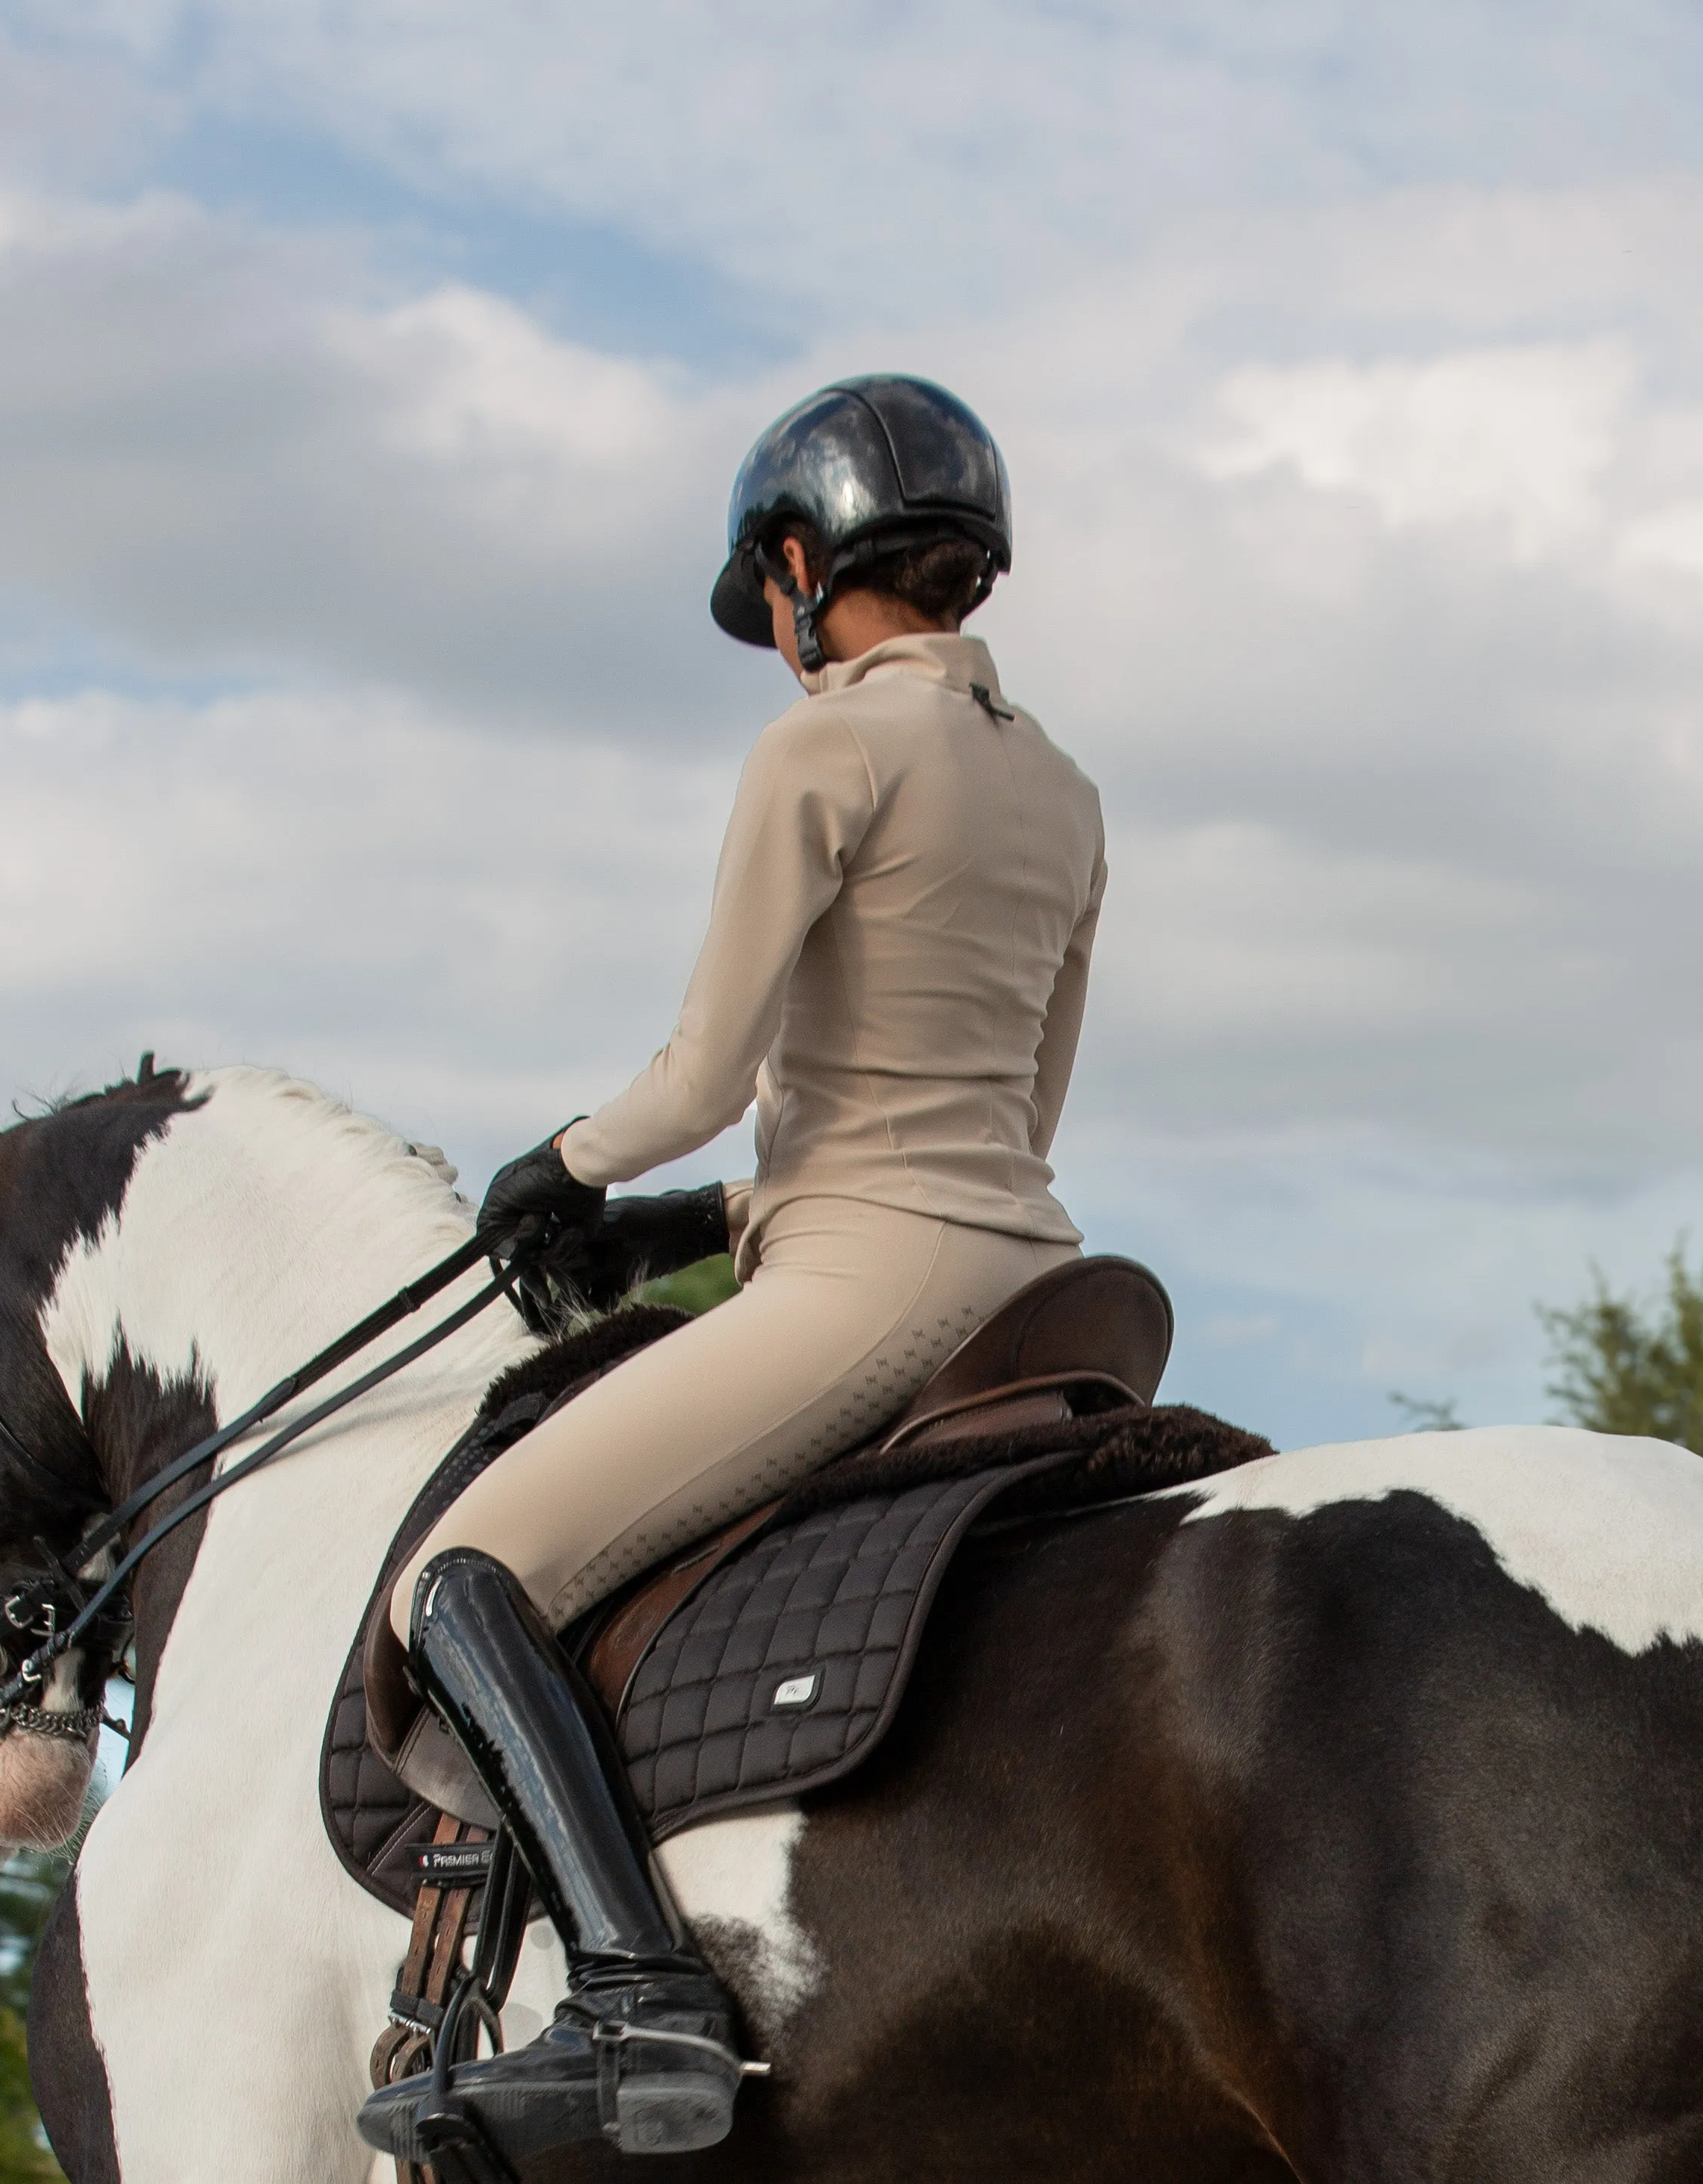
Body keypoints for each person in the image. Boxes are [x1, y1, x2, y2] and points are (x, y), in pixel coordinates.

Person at [358, 376, 1108, 2167]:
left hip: (864, 1296)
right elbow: (1007, 1109)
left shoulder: (822, 746)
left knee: (457, 1585)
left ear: (794, 563)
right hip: (1032, 1280)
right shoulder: (1063, 791)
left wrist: (563, 1166)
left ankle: (638, 1993)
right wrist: (692, 1229)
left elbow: (704, 1073)